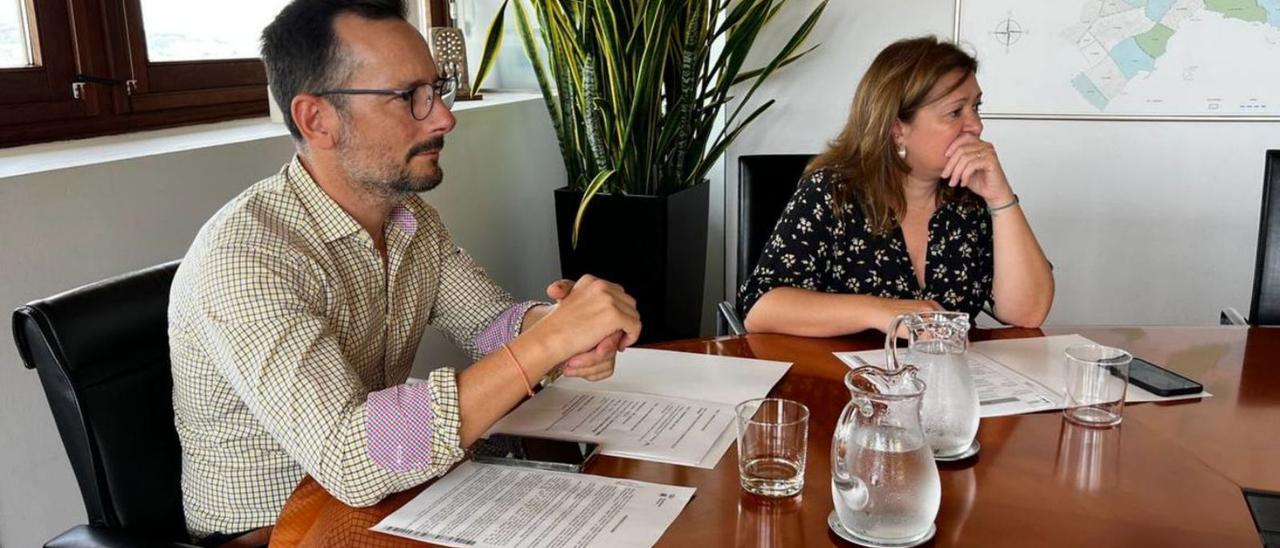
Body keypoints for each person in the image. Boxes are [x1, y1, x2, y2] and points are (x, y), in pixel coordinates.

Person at [167, 0, 641, 541]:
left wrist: (560, 329)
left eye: (437, 89)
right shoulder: (247, 258)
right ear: (315, 119)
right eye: (408, 96)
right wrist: (548, 342)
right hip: (273, 533)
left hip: (389, 503)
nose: (444, 117)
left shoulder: (408, 217)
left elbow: (490, 324)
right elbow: (348, 455)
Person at [739, 36, 1053, 337]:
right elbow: (761, 307)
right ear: (897, 129)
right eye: (956, 111)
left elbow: (1027, 313)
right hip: (846, 383)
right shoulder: (833, 191)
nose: (976, 125)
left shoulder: (967, 198)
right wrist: (882, 312)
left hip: (942, 383)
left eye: (976, 107)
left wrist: (1001, 198)